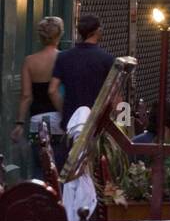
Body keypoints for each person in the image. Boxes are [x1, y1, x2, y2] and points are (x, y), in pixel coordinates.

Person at [12, 15, 65, 176]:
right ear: (59, 35)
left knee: (38, 167)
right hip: (59, 119)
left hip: (37, 120)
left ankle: (40, 198)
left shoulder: (29, 61)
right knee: (59, 167)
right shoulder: (63, 58)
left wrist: (19, 123)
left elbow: (26, 96)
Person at [49, 13, 114, 132]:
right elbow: (115, 96)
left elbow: (52, 90)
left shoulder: (63, 57)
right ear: (98, 30)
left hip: (71, 123)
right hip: (97, 124)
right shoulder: (107, 59)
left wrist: (65, 112)